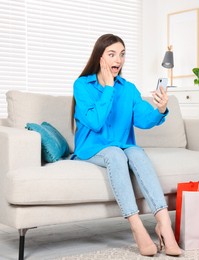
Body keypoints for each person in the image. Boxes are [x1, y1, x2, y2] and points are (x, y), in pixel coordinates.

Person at [71, 34, 182, 257]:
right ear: (99, 57)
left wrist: (159, 110)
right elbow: (95, 121)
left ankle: (164, 225)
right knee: (115, 154)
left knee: (137, 152)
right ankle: (136, 226)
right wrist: (109, 87)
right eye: (112, 54)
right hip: (91, 148)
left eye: (122, 54)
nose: (118, 60)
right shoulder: (82, 85)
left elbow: (143, 119)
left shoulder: (128, 88)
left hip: (122, 146)